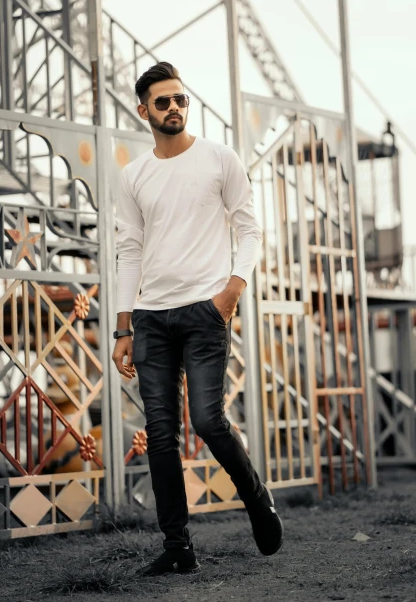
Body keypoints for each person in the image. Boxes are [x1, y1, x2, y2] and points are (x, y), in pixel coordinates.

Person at [112, 61, 284, 577]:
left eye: (180, 99)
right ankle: (178, 547)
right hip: (151, 317)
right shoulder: (133, 175)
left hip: (206, 310)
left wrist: (232, 289)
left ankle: (256, 499)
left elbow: (250, 228)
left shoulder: (219, 158)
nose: (174, 108)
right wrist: (123, 326)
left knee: (208, 420)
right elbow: (129, 250)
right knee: (161, 433)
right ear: (144, 111)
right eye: (162, 102)